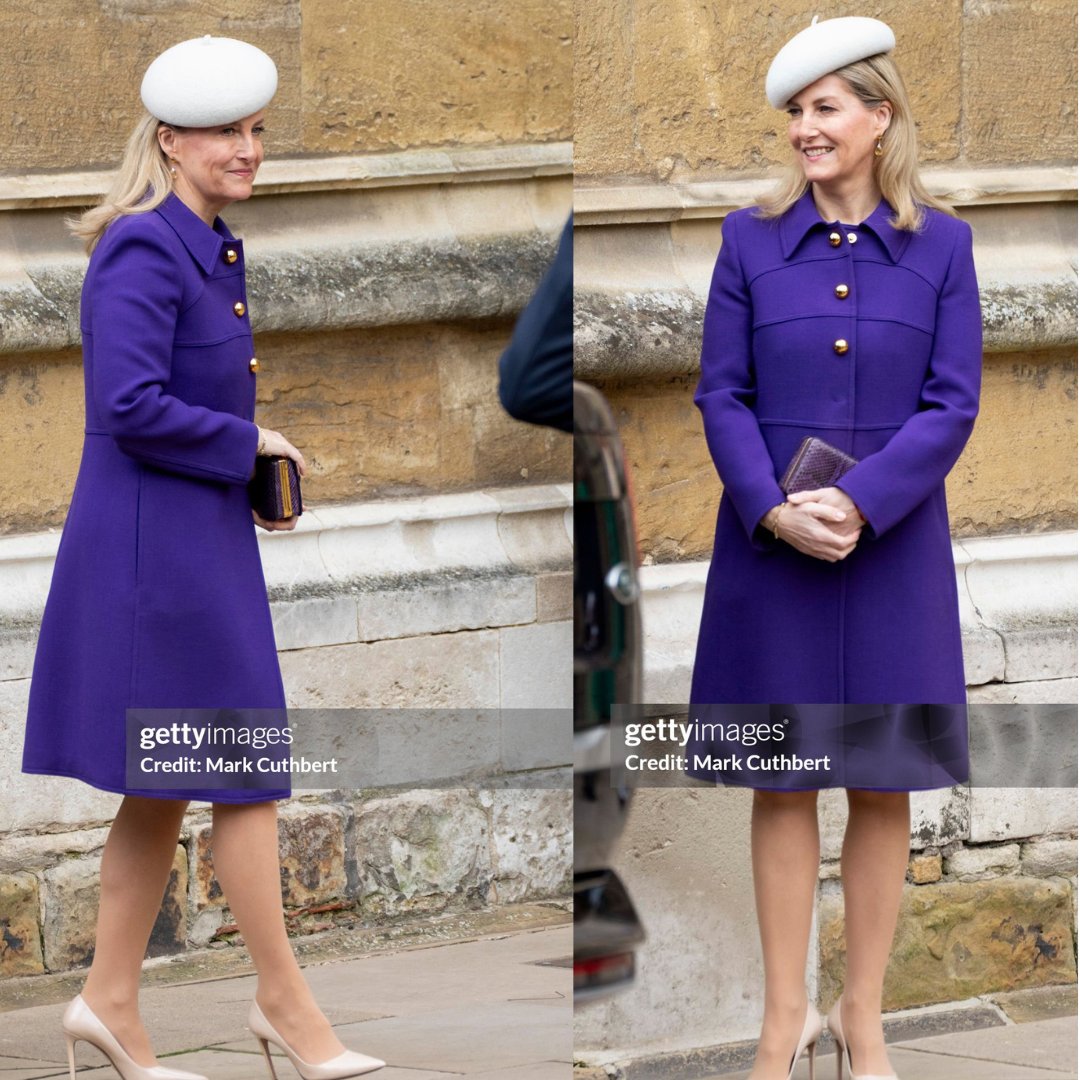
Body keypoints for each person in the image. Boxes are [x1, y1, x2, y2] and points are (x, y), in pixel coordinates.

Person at [21, 36, 383, 1080]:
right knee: (244, 775)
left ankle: (108, 1002)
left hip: (190, 541)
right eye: (227, 130)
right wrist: (250, 447)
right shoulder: (144, 246)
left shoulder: (206, 244)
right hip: (153, 558)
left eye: (257, 130)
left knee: (166, 785)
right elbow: (127, 406)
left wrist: (244, 476)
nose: (248, 148)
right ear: (170, 140)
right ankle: (284, 1004)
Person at [688, 17, 982, 1080]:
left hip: (892, 548)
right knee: (782, 782)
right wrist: (770, 507)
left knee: (882, 781)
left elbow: (953, 405)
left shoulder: (942, 245)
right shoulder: (747, 240)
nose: (805, 130)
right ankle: (785, 1020)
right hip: (772, 549)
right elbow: (720, 392)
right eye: (796, 114)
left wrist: (860, 504)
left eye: (825, 108)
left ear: (879, 115)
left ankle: (864, 1019)